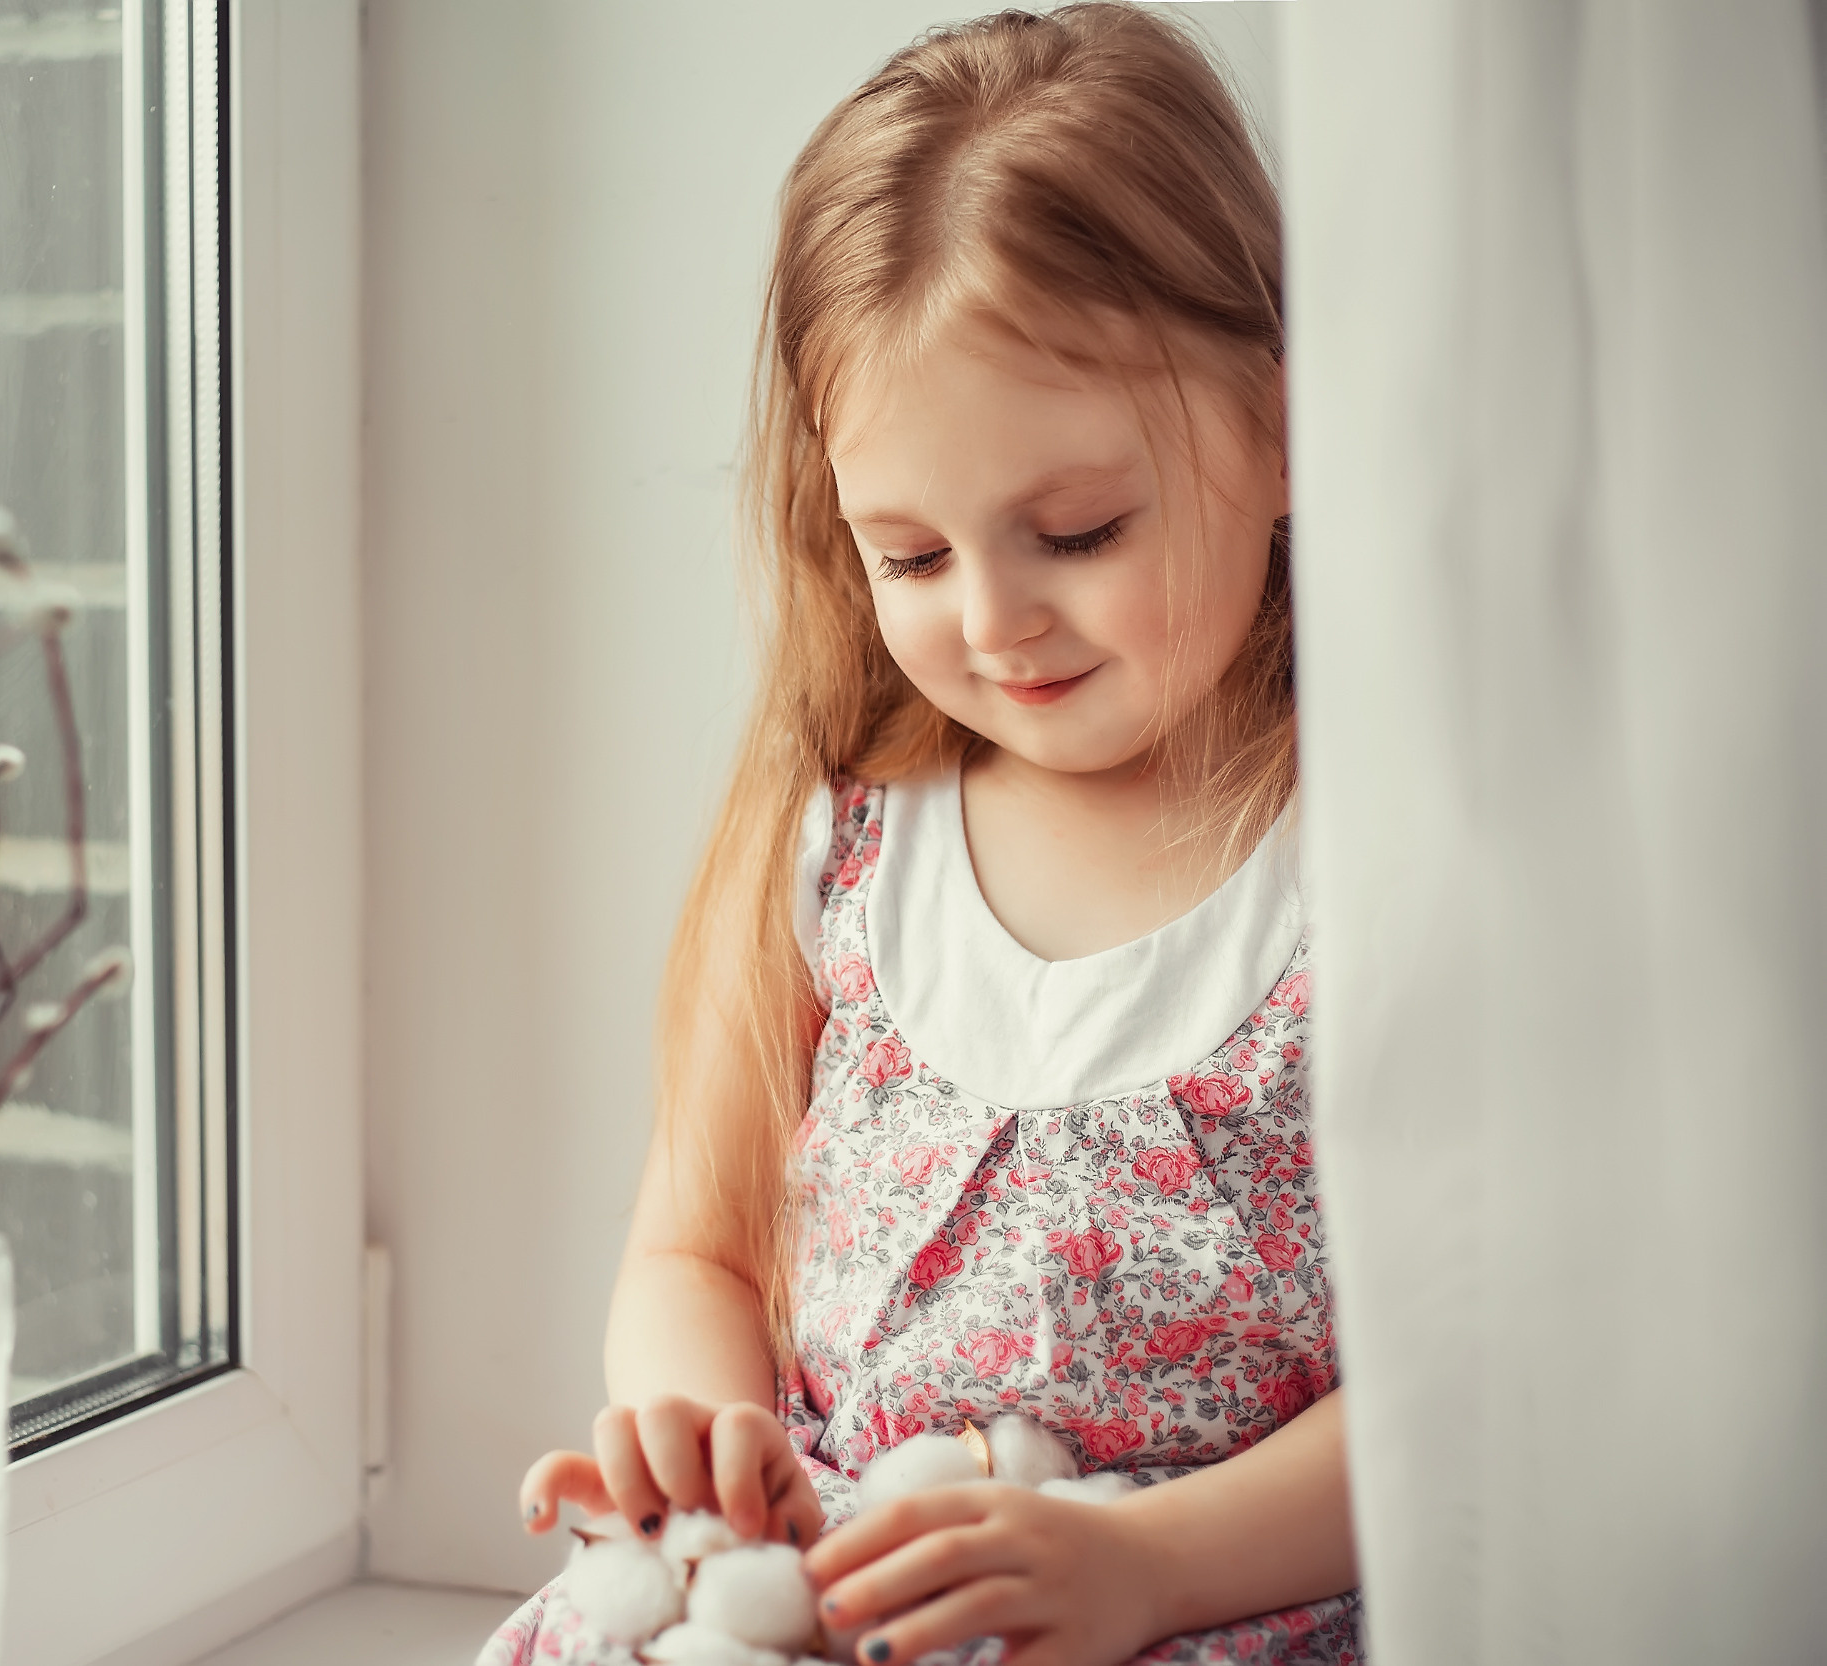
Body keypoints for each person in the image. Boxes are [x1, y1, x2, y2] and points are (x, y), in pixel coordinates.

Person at [480, 8, 1359, 1665]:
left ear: (1278, 424)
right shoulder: (846, 835)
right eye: (911, 554)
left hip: (1201, 1601)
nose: (998, 619)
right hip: (838, 1593)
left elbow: (1485, 1376)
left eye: (1078, 528)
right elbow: (694, 1245)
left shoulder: (1371, 857)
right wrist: (702, 1448)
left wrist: (1149, 1571)